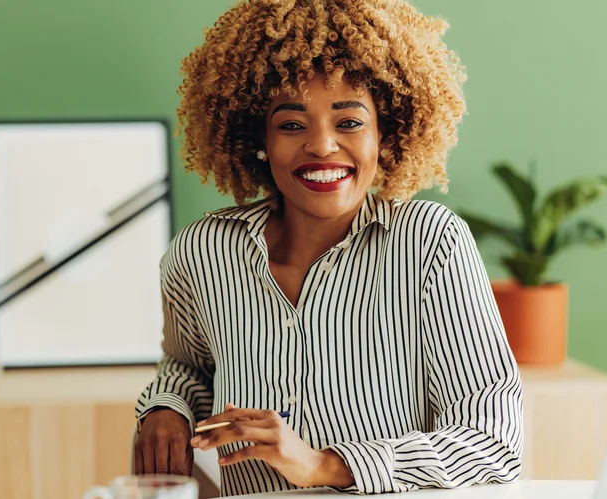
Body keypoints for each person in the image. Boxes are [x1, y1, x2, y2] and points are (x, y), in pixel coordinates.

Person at [134, 0, 523, 495]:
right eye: (292, 125)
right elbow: (188, 365)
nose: (321, 146)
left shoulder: (430, 244)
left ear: (386, 133)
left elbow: (493, 442)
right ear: (260, 138)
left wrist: (325, 466)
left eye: (349, 122)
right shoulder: (202, 252)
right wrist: (168, 406)